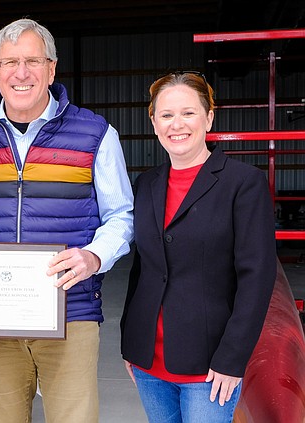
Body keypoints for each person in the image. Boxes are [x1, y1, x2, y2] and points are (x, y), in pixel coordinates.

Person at [0, 18, 135, 423]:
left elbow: (121, 215)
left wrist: (94, 256)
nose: (21, 73)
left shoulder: (95, 134)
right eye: (10, 62)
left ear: (52, 69)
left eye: (33, 61)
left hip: (69, 314)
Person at [120, 71, 276, 422]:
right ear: (154, 123)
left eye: (188, 112)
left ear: (209, 117)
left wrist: (232, 358)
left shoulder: (242, 183)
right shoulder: (146, 183)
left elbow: (257, 277)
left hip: (209, 366)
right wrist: (131, 341)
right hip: (149, 361)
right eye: (166, 115)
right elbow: (143, 268)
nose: (177, 124)